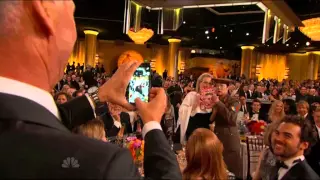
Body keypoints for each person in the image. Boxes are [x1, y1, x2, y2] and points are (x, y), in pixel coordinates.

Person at [0, 1, 181, 179]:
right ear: (43, 8)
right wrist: (152, 125)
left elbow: (37, 123)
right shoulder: (103, 165)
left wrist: (98, 96)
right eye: (71, 12)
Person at [210, 79, 242, 179]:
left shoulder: (235, 101)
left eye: (221, 86)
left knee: (230, 170)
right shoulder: (213, 100)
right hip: (217, 137)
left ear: (227, 87)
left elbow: (232, 119)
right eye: (217, 86)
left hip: (229, 140)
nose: (218, 88)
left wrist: (218, 103)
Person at [270, 115, 319, 180]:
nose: (278, 139)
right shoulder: (278, 165)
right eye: (277, 133)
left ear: (304, 145)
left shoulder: (308, 177)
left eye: (287, 136)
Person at [177, 73, 214, 142]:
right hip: (193, 131)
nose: (207, 85)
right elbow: (181, 111)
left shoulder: (213, 98)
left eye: (210, 83)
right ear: (199, 83)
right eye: (205, 82)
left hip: (206, 133)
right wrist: (194, 106)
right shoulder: (191, 95)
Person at [306, 107, 320, 176]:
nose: (319, 119)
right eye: (317, 116)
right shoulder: (308, 130)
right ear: (313, 116)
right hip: (312, 165)